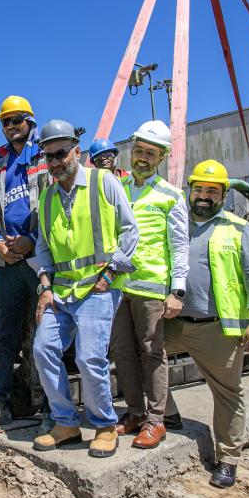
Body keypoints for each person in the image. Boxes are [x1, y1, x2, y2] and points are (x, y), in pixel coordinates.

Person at [28, 119, 139, 459]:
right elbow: (44, 249)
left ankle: (104, 426)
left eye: (61, 153)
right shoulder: (46, 198)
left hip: (99, 287)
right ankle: (66, 422)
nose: (55, 162)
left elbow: (129, 232)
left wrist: (109, 274)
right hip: (61, 291)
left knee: (90, 358)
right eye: (48, 156)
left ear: (77, 151)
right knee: (44, 348)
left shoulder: (104, 182)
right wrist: (45, 287)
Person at [164, 159, 249, 488]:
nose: (204, 196)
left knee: (228, 393)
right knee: (141, 356)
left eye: (212, 191)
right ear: (190, 191)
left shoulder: (239, 229)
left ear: (223, 195)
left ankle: (228, 458)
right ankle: (167, 414)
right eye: (199, 189)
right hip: (175, 322)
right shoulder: (176, 225)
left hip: (217, 328)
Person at [0, 95, 51, 433]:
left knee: (46, 334)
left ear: (30, 122)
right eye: (5, 121)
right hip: (6, 261)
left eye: (16, 120)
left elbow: (51, 204)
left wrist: (32, 239)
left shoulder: (45, 157)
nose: (10, 127)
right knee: (4, 334)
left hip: (39, 259)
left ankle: (50, 407)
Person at [110, 120, 189, 449]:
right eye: (138, 151)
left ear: (161, 158)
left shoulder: (170, 196)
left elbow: (179, 244)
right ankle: (134, 412)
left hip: (152, 289)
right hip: (117, 288)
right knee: (123, 354)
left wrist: (177, 290)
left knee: (153, 354)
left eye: (150, 153)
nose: (142, 158)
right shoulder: (118, 190)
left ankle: (156, 420)